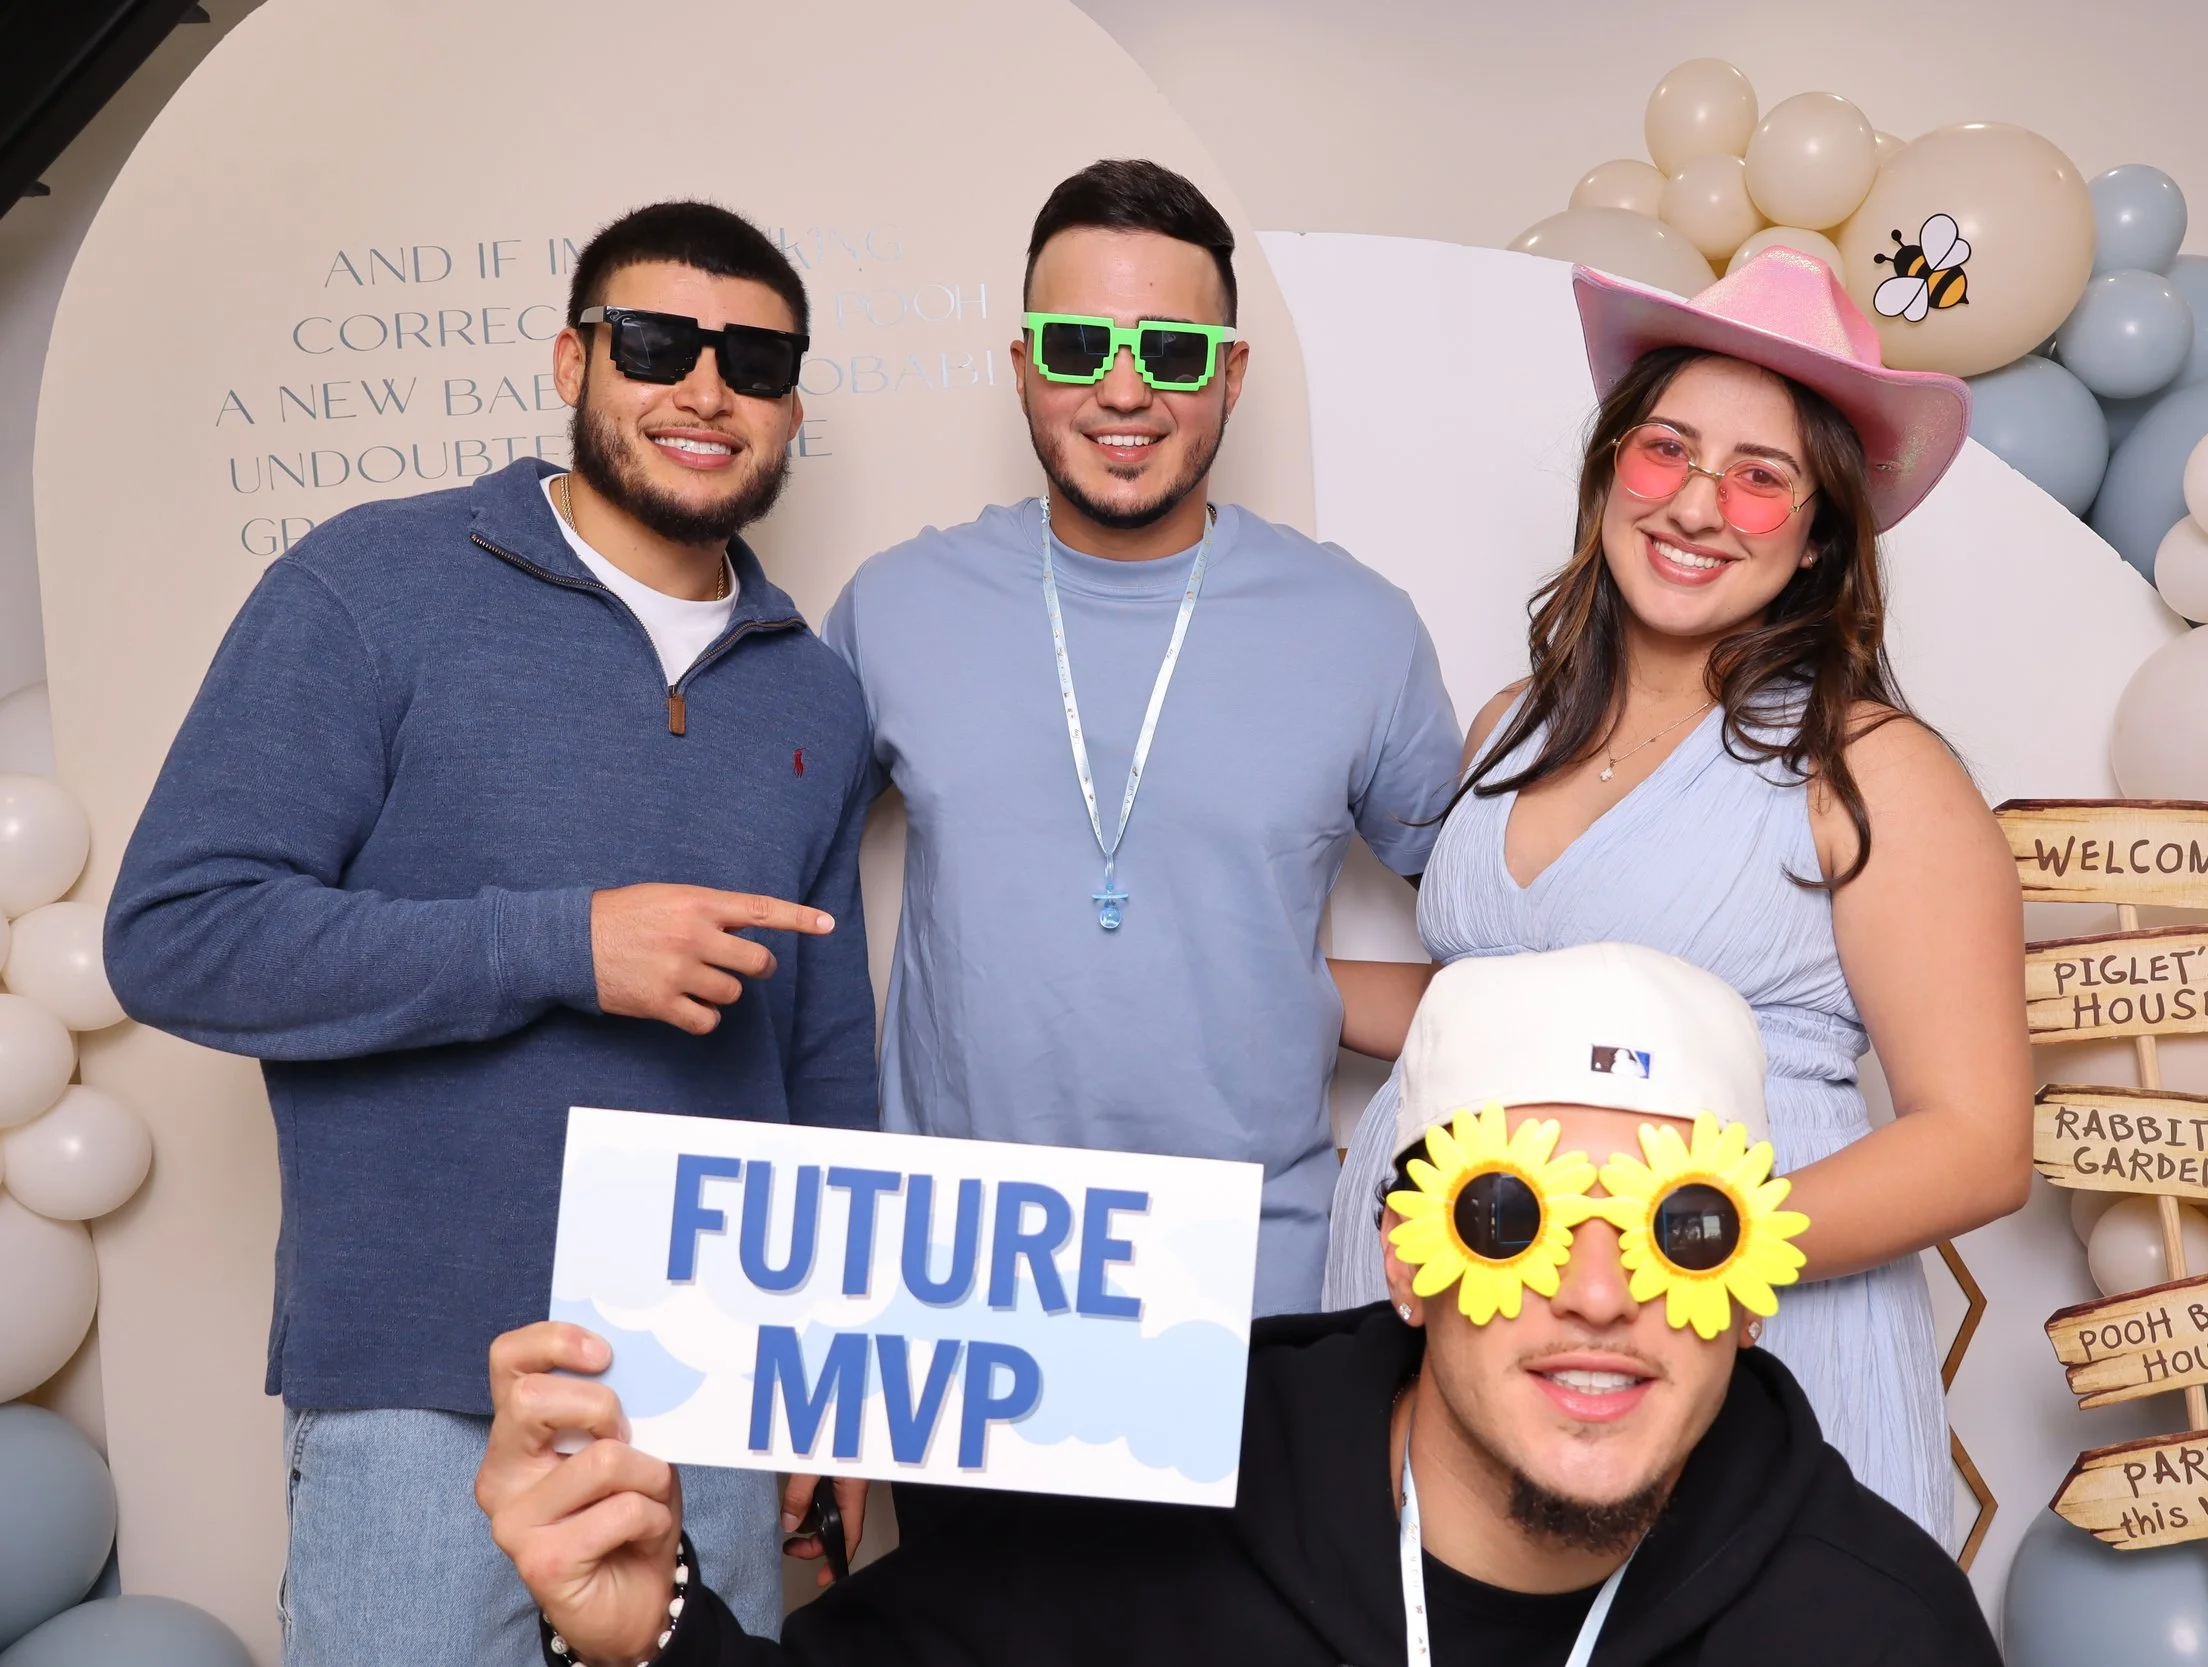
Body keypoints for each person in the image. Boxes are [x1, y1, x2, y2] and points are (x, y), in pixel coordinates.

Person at [104, 201, 876, 1664]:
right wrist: (563, 945)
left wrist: (830, 1384)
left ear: (787, 406)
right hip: (419, 1394)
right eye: (658, 344)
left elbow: (826, 1056)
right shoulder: (371, 588)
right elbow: (178, 930)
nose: (706, 388)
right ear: (572, 359)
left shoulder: (815, 693)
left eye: (757, 361)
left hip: (710, 1385)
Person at [476, 943, 2002, 1667]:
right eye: (1511, 1216)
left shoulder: (1874, 1627)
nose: (1599, 1292)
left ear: (1749, 1288)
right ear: (1410, 1256)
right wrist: (639, 1631)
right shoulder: (1155, 1493)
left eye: (1679, 1229)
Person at [1322, 249, 2033, 1543]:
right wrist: (1268, 987)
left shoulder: (1870, 766)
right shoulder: (1507, 726)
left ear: (1820, 536)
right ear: (1607, 479)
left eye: (1762, 477)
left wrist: (1665, 1257)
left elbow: (1978, 1140)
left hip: (1724, 1317)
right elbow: (1495, 1002)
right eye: (1666, 451)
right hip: (1457, 1292)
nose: (1700, 504)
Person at [822, 157, 1461, 1320]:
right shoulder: (897, 607)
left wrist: (1290, 988)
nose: (1123, 390)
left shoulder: (1358, 628)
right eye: (1076, 347)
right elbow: (782, 902)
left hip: (1257, 1291)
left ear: (1231, 374)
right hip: (963, 1283)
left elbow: (1500, 941)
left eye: (1171, 351)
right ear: (1022, 366)